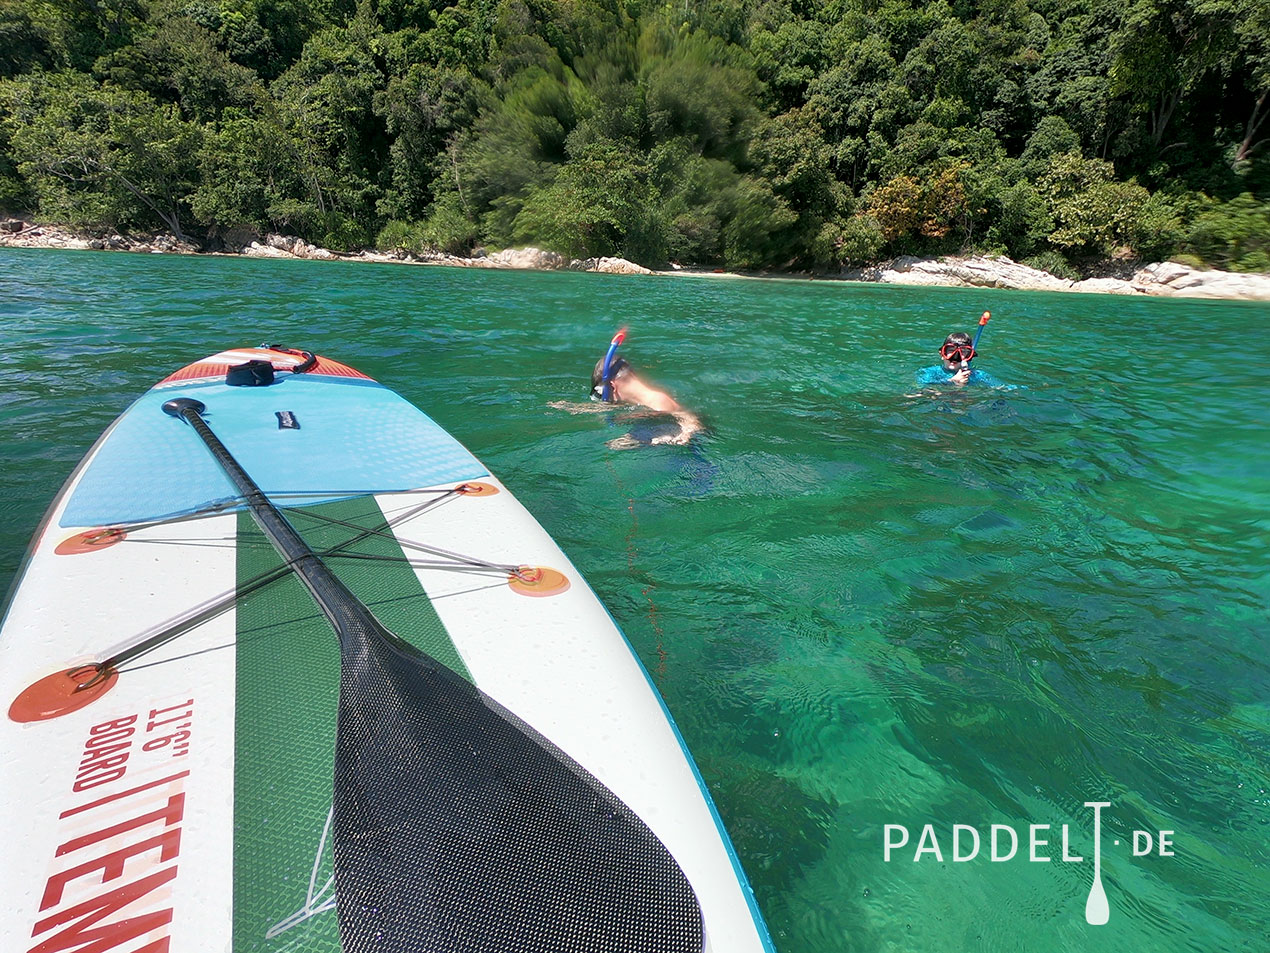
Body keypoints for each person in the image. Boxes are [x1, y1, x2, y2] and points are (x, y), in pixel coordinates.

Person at [591, 344, 703, 447]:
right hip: (655, 431)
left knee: (614, 446)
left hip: (688, 450)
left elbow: (689, 418)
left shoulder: (659, 402)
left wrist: (686, 434)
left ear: (613, 387)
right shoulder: (641, 402)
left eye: (602, 394)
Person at [915, 316, 1009, 388]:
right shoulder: (931, 372)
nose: (955, 356)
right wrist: (952, 381)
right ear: (942, 354)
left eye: (963, 352)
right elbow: (921, 388)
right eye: (950, 350)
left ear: (970, 356)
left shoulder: (977, 375)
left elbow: (1002, 387)